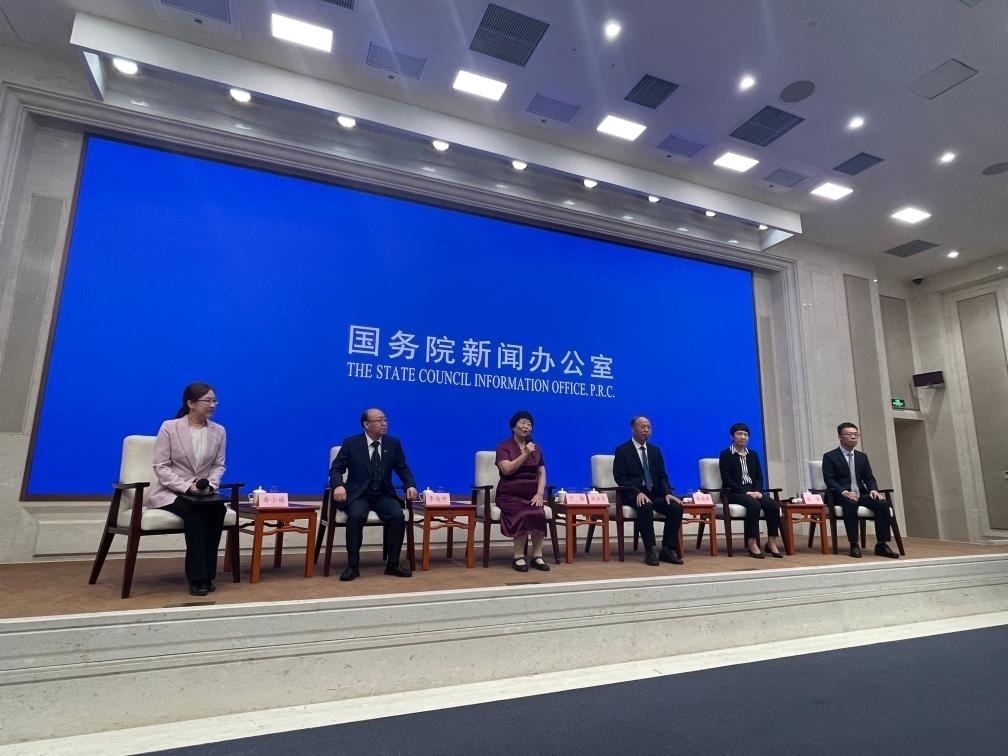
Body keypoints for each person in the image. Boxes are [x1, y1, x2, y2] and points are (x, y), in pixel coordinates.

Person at [148, 382, 227, 596]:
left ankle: (208, 574)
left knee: (218, 510)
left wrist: (211, 485)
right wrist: (186, 487)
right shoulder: (169, 427)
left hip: (202, 493)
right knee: (196, 513)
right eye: (207, 400)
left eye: (215, 400)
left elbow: (219, 465)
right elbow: (161, 466)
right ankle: (197, 577)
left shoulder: (219, 431)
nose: (213, 405)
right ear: (191, 403)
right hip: (171, 492)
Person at [329, 408, 417, 581]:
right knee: (356, 516)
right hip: (358, 494)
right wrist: (338, 485)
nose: (384, 423)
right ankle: (353, 566)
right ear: (366, 424)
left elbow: (402, 468)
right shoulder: (351, 443)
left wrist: (411, 485)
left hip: (383, 493)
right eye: (379, 420)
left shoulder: (393, 443)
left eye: (385, 420)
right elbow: (336, 469)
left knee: (397, 516)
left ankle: (393, 564)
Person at [612, 416, 685, 566]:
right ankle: (650, 550)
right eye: (643, 427)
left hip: (654, 494)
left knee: (676, 507)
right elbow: (620, 478)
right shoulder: (622, 450)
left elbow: (662, 476)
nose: (646, 430)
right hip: (633, 495)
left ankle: (667, 549)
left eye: (649, 427)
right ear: (633, 428)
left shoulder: (655, 451)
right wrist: (636, 492)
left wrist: (667, 493)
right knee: (645, 505)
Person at [822, 422, 899, 559]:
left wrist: (873, 489)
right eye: (849, 434)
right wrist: (844, 492)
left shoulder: (862, 456)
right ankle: (854, 544)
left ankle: (881, 544)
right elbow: (829, 480)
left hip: (861, 494)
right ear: (840, 436)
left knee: (882, 504)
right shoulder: (830, 456)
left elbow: (869, 478)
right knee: (850, 502)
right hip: (839, 495)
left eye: (855, 434)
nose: (853, 437)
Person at [495, 410, 551, 572]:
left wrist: (539, 493)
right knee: (523, 513)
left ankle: (537, 556)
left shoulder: (536, 448)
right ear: (513, 426)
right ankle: (518, 556)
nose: (526, 426)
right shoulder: (503, 447)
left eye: (529, 424)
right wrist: (525, 453)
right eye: (522, 422)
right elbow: (507, 470)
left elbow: (541, 473)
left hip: (531, 495)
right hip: (509, 495)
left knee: (538, 512)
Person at [718, 422, 783, 558]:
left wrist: (758, 491)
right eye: (739, 434)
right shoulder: (725, 454)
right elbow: (726, 479)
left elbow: (759, 476)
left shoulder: (753, 454)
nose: (743, 437)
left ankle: (771, 542)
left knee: (773, 505)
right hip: (733, 491)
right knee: (754, 505)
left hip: (753, 490)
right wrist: (745, 492)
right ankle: (751, 542)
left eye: (746, 434)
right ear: (732, 436)